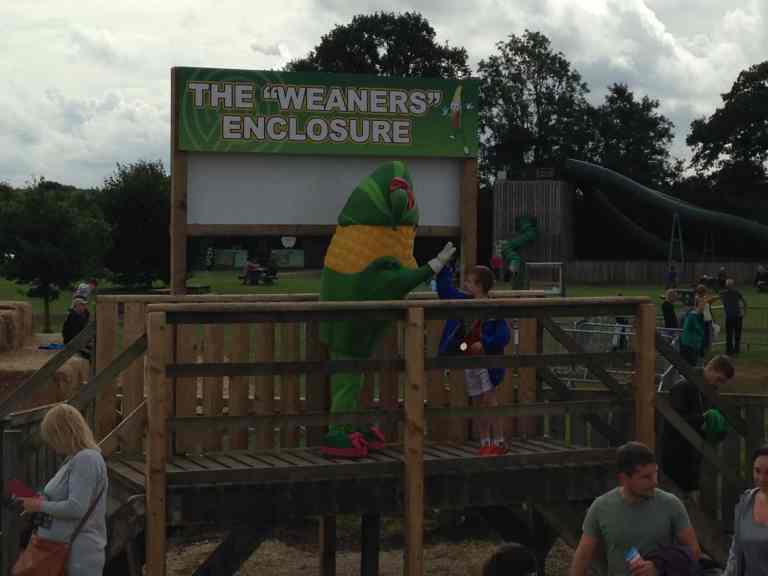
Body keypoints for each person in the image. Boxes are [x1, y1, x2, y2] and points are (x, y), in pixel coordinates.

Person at [569, 442, 701, 576]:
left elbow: (694, 552)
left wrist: (659, 567)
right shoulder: (601, 507)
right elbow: (583, 557)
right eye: (646, 477)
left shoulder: (671, 504)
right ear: (624, 478)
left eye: (655, 473)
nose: (655, 482)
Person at [17, 404, 108, 575]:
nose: (51, 444)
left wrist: (38, 506)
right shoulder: (74, 459)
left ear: (62, 433)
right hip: (62, 552)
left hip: (77, 556)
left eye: (51, 437)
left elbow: (76, 508)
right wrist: (41, 500)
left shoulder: (86, 459)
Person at [437, 264, 511, 456]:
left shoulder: (493, 310)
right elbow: (446, 292)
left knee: (490, 400)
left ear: (479, 286)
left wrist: (485, 344)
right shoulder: (465, 302)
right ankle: (485, 442)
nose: (465, 284)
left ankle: (500, 441)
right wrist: (443, 269)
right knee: (478, 402)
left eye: (469, 281)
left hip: (486, 362)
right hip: (470, 361)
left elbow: (503, 336)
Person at [661, 355, 735, 503]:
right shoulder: (683, 387)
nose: (718, 385)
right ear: (710, 369)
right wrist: (703, 419)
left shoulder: (708, 391)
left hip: (693, 458)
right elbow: (675, 420)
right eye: (719, 379)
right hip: (675, 456)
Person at [724, 445, 768, 576]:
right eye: (757, 471)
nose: (762, 479)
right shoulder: (745, 502)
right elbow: (735, 552)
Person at [720, 279, 747, 356]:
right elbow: (744, 302)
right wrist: (744, 312)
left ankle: (729, 351)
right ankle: (735, 350)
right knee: (736, 335)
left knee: (730, 335)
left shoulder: (723, 293)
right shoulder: (737, 293)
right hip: (736, 316)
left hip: (731, 317)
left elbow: (721, 299)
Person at [679, 294, 705, 366]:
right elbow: (699, 330)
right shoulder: (692, 316)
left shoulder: (697, 315)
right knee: (690, 366)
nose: (704, 307)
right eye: (702, 304)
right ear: (697, 305)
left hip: (693, 345)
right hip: (689, 345)